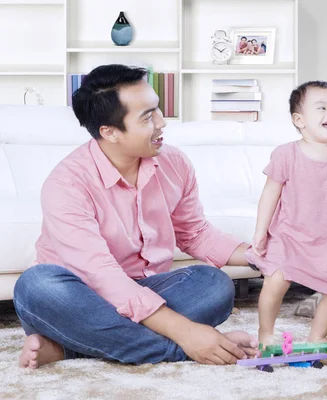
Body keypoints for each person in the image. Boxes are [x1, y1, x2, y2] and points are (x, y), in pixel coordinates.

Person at [13, 64, 259, 369]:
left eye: (157, 110)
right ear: (110, 132)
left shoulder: (174, 163)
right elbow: (101, 275)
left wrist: (260, 255)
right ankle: (179, 349)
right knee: (36, 285)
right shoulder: (66, 185)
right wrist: (190, 334)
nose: (162, 123)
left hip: (146, 289)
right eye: (147, 117)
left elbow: (195, 233)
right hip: (80, 295)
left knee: (214, 284)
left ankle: (70, 348)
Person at [246, 81, 327, 346]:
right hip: (288, 237)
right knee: (275, 283)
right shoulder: (286, 154)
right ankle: (266, 332)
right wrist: (260, 233)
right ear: (299, 120)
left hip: (326, 243)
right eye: (322, 108)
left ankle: (318, 336)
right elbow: (269, 196)